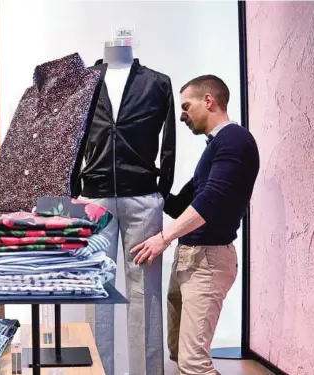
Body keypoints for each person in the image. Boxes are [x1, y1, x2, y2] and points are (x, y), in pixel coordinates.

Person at [130, 75, 260, 375]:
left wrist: (163, 238)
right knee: (179, 352)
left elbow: (210, 201)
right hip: (190, 259)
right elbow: (181, 204)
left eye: (187, 106)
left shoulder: (235, 140)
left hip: (208, 262)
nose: (182, 115)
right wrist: (141, 174)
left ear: (209, 101)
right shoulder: (215, 147)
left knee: (194, 362)